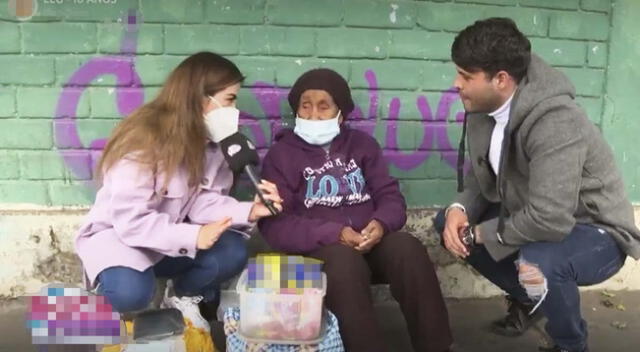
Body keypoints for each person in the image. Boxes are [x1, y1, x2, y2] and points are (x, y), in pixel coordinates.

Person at [434, 18, 640, 352]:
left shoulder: (555, 120)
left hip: (594, 230)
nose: (457, 84)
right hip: (534, 213)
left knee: (538, 261)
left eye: (466, 76)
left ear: (500, 79)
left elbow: (550, 219)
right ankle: (530, 299)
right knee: (447, 223)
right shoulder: (484, 106)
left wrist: (480, 233)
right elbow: (483, 174)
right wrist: (460, 210)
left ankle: (570, 343)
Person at [75, 52, 283, 328]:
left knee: (232, 251)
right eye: (230, 99)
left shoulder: (217, 143)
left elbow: (204, 202)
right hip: (123, 241)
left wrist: (250, 210)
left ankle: (182, 297)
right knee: (131, 295)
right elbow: (131, 222)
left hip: (170, 242)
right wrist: (195, 235)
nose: (234, 110)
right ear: (199, 99)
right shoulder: (144, 140)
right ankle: (70, 308)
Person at [258, 68, 453, 352]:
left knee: (407, 248)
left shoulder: (362, 146)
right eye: (305, 106)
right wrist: (335, 233)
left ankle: (437, 346)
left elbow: (390, 197)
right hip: (321, 250)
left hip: (369, 241)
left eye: (324, 107)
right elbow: (275, 226)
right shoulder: (281, 156)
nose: (313, 115)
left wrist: (381, 223)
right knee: (343, 263)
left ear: (341, 113)